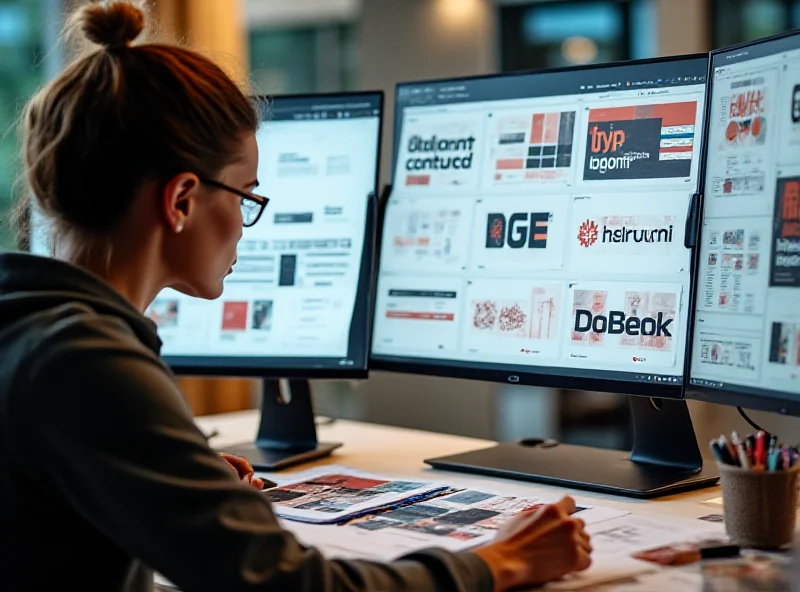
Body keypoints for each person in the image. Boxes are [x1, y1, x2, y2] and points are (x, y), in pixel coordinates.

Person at [0, 2, 592, 591]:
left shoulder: (32, 330)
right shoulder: (88, 361)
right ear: (181, 200)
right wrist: (499, 561)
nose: (242, 222)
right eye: (245, 196)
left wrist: (180, 485)